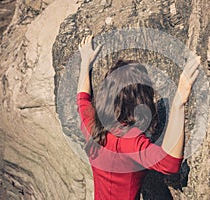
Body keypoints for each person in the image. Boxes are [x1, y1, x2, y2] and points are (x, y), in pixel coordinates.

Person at [76, 35, 200, 200]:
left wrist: (85, 61)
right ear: (141, 100)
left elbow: (82, 99)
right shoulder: (129, 141)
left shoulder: (93, 125)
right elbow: (170, 164)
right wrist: (178, 103)